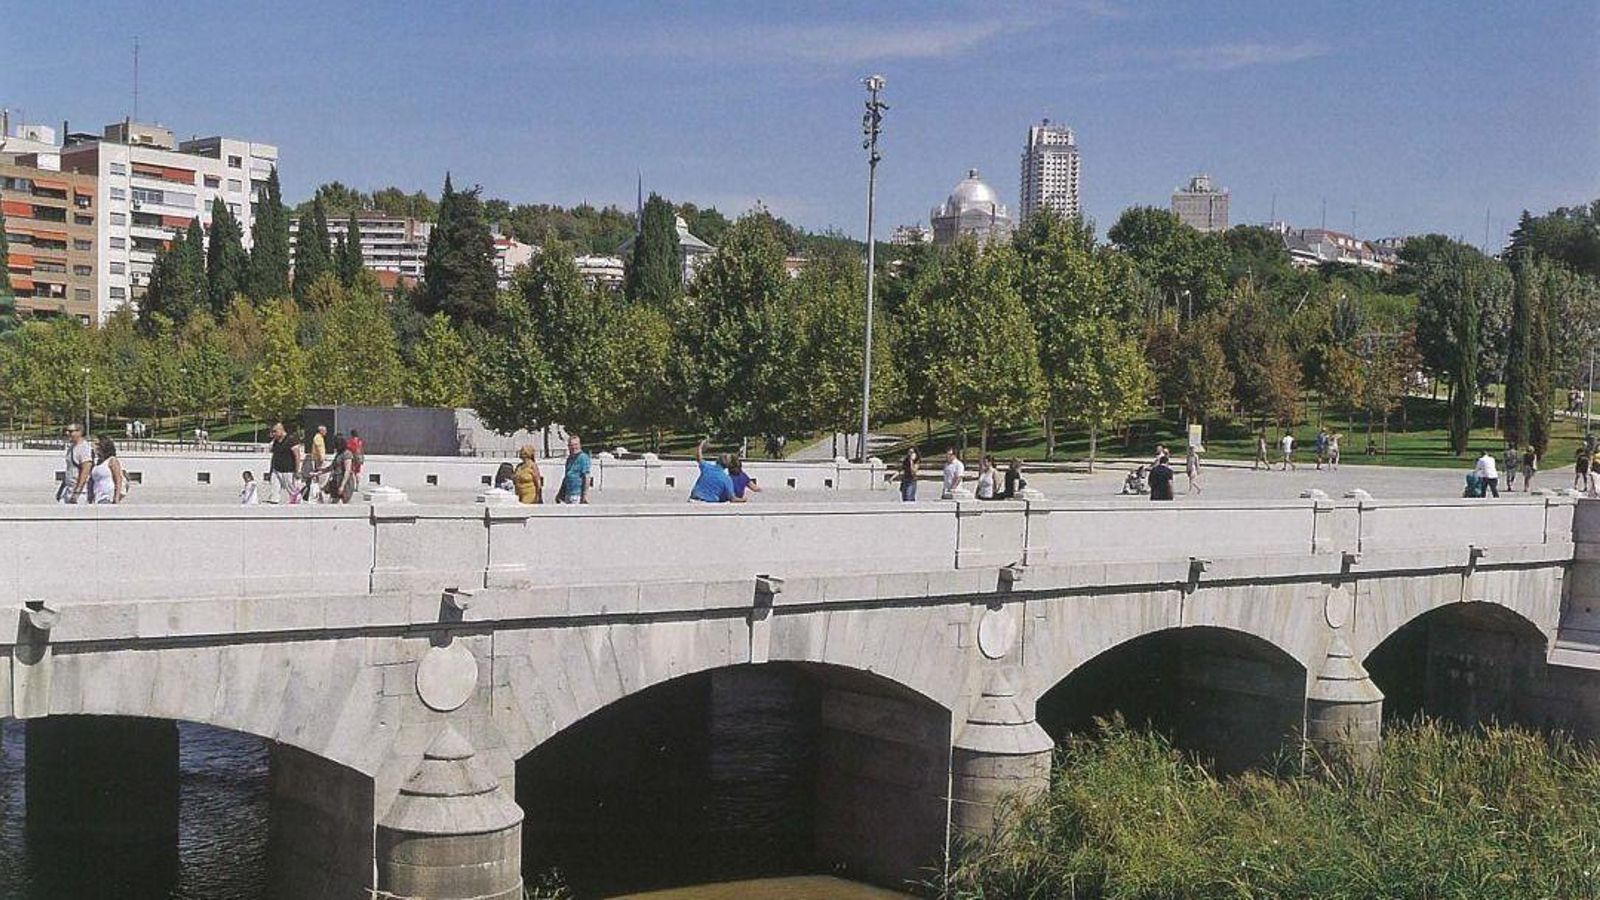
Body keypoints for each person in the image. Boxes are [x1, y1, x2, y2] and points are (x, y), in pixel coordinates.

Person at [688, 438, 741, 503]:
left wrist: (700, 446)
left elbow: (699, 457)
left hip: (693, 500)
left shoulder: (707, 467)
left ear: (717, 460)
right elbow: (733, 499)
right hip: (708, 504)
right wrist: (743, 499)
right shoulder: (727, 479)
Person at [57, 424, 94, 503]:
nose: (67, 433)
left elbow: (85, 470)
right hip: (68, 490)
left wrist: (77, 492)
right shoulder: (72, 447)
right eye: (66, 431)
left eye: (70, 431)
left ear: (79, 432)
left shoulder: (84, 448)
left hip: (80, 493)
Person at [268, 422, 302, 504]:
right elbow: (274, 455)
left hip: (288, 470)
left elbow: (297, 456)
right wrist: (271, 470)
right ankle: (274, 502)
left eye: (274, 431)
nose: (273, 434)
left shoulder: (291, 440)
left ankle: (297, 502)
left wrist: (297, 470)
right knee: (274, 488)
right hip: (276, 470)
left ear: (281, 430)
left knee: (291, 489)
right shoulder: (275, 442)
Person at [88, 436, 127, 504]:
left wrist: (116, 497)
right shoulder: (97, 462)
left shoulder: (112, 461)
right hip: (97, 495)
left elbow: (118, 479)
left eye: (96, 444)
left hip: (108, 496)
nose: (93, 446)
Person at [556, 435, 591, 504]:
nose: (573, 447)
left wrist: (584, 495)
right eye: (571, 445)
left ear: (580, 445)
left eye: (576, 445)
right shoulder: (569, 459)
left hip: (577, 494)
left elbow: (586, 477)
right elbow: (566, 477)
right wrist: (560, 493)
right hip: (568, 494)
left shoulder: (583, 457)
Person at [325, 434, 355, 504]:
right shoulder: (338, 454)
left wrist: (342, 486)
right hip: (336, 480)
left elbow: (347, 471)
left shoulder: (347, 454)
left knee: (344, 502)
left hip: (345, 482)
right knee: (334, 502)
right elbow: (332, 467)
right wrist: (320, 471)